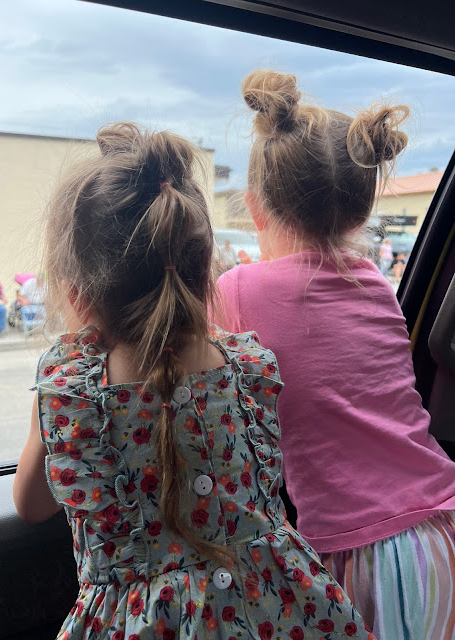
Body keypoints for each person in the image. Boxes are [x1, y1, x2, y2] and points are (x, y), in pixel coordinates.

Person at [12, 122, 372, 640]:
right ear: (205, 274)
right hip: (284, 613)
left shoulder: (71, 394)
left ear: (77, 294)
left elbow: (30, 504)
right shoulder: (250, 370)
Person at [217, 70, 455, 639]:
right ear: (359, 212)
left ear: (255, 209)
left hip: (359, 554)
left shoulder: (238, 290)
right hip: (443, 524)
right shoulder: (373, 281)